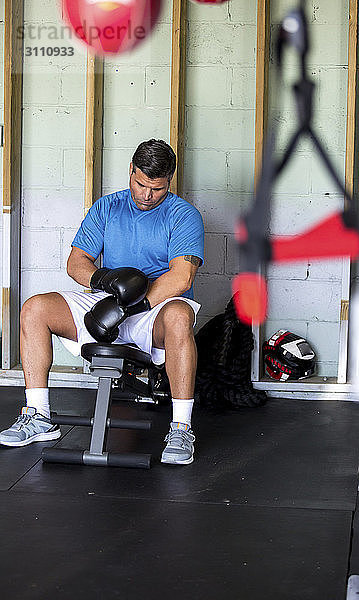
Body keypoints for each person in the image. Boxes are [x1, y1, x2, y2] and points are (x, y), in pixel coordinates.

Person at [0, 139, 205, 465]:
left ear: (169, 182)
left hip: (153, 310)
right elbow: (76, 262)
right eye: (140, 184)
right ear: (131, 171)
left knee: (181, 315)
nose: (146, 195)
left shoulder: (183, 216)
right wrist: (105, 282)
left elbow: (181, 278)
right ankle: (38, 415)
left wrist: (130, 308)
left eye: (157, 189)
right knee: (34, 307)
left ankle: (181, 427)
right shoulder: (107, 207)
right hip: (106, 300)